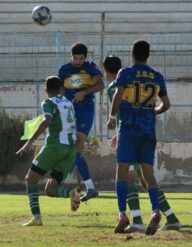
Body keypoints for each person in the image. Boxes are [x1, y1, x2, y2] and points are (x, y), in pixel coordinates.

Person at [103, 54, 181, 233]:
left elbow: (122, 111)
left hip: (129, 133)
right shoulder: (151, 77)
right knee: (147, 179)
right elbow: (163, 104)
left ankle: (136, 219)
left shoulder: (115, 86)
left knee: (127, 177)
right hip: (146, 132)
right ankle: (170, 217)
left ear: (105, 70)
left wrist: (117, 131)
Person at [17, 76, 80, 226]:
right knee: (51, 189)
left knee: (30, 179)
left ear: (45, 90)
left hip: (54, 147)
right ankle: (71, 193)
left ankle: (37, 218)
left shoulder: (48, 102)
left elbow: (47, 120)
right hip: (70, 151)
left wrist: (29, 143)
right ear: (61, 89)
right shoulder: (69, 103)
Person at [58, 43, 104, 202]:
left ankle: (86, 187)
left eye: (81, 58)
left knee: (77, 147)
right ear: (71, 56)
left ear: (85, 57)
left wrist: (84, 92)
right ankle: (89, 188)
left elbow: (100, 85)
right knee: (70, 150)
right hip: (68, 113)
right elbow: (60, 92)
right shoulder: (64, 70)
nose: (78, 61)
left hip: (85, 111)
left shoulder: (91, 68)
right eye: (75, 58)